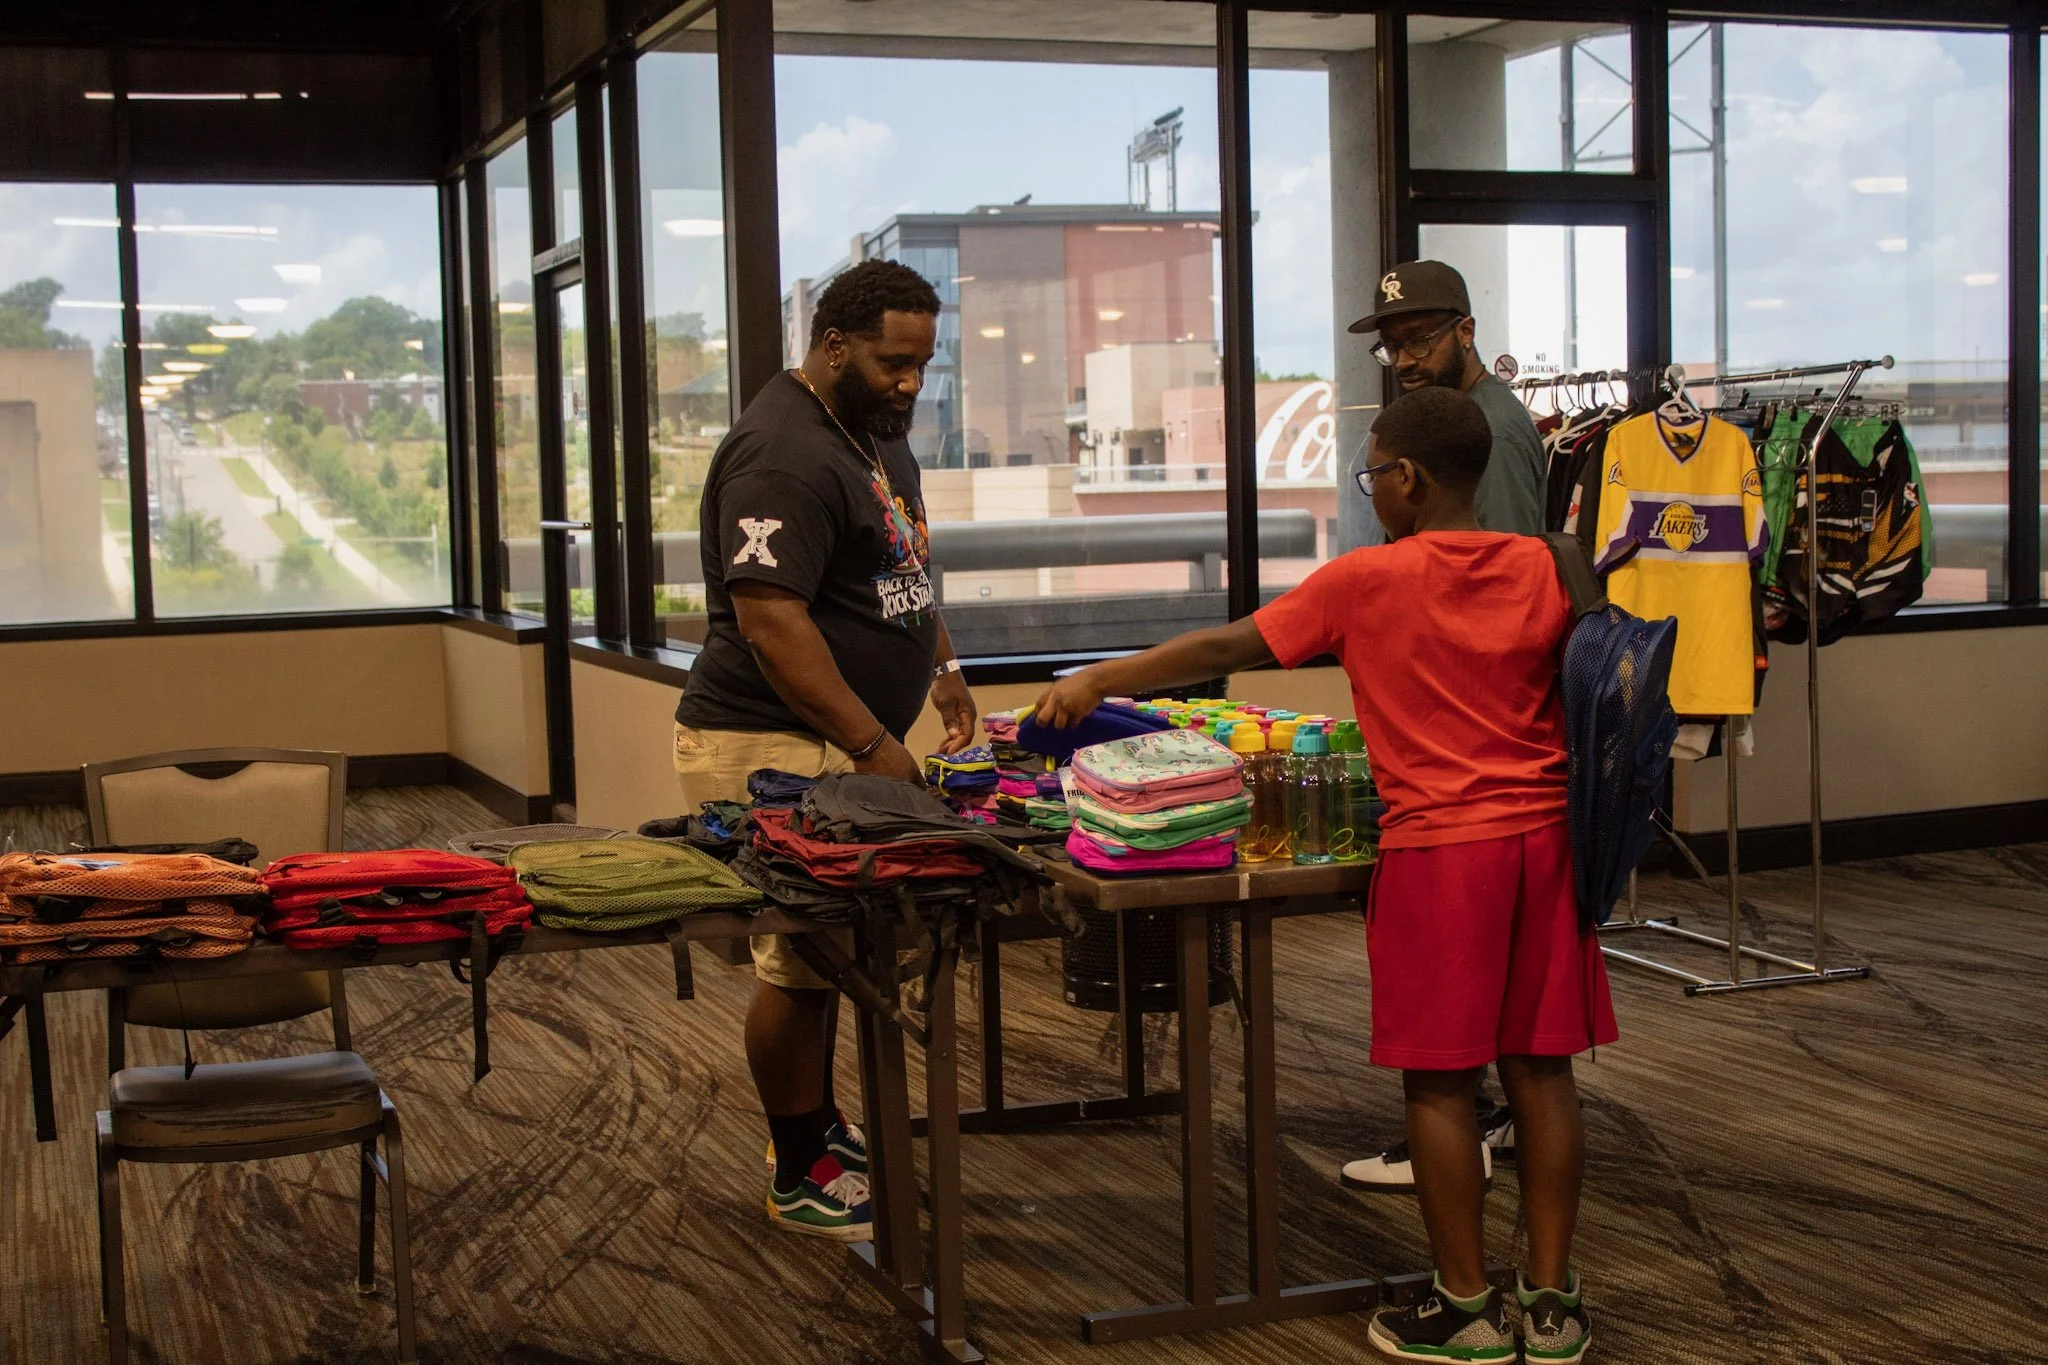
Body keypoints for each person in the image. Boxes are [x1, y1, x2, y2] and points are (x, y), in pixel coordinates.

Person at [1035, 386, 1614, 1364]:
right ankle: (1551, 1308)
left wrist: (1096, 678)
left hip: (1439, 853)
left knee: (1437, 1088)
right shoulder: (1549, 566)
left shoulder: (1365, 582)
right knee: (1541, 1075)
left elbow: (1226, 647)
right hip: (1546, 846)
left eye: (1370, 474)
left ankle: (1466, 1309)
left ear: (1407, 480)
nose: (1368, 492)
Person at [673, 259, 977, 1242]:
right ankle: (797, 1162)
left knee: (838, 950)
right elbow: (771, 623)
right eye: (893, 363)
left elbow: (900, 568)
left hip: (838, 738)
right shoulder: (782, 454)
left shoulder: (874, 441)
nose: (909, 384)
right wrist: (870, 742)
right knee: (802, 957)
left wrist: (942, 669)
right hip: (766, 738)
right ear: (833, 345)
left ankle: (816, 1124)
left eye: (923, 365)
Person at [1342, 257, 1543, 1192]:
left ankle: (1477, 1125)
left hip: (1477, 771)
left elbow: (1491, 595)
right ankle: (1482, 1116)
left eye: (1419, 336)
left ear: (1465, 328)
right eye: (1391, 343)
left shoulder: (1486, 431)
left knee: (1480, 999)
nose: (1404, 356)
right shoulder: (1466, 420)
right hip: (1483, 774)